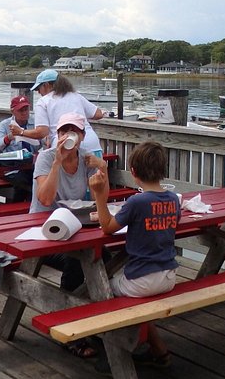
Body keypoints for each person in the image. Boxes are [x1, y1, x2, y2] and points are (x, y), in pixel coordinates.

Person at [89, 140, 179, 371]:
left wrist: (99, 194)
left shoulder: (136, 201)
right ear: (162, 171)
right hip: (168, 276)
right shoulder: (173, 200)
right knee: (135, 298)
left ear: (134, 173)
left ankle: (114, 350)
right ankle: (159, 350)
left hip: (142, 280)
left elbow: (108, 227)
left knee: (100, 288)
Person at [30, 112, 109, 295]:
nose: (68, 135)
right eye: (64, 131)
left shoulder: (86, 158)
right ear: (57, 135)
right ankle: (68, 305)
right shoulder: (46, 158)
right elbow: (46, 199)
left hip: (74, 228)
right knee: (75, 260)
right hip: (43, 229)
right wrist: (57, 162)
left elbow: (102, 198)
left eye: (74, 131)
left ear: (82, 136)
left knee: (104, 255)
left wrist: (102, 168)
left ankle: (96, 302)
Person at [27, 70, 105, 155]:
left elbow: (42, 132)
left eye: (39, 88)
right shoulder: (75, 96)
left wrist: (20, 132)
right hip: (91, 144)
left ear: (46, 85)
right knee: (98, 168)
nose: (38, 92)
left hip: (65, 146)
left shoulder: (43, 102)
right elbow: (98, 114)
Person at [0, 95, 41, 203]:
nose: (24, 113)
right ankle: (18, 210)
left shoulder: (36, 124)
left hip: (32, 165)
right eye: (20, 110)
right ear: (13, 112)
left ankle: (33, 210)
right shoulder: (5, 125)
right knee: (24, 183)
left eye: (26, 109)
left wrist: (47, 141)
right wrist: (7, 138)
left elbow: (44, 143)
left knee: (40, 179)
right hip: (12, 168)